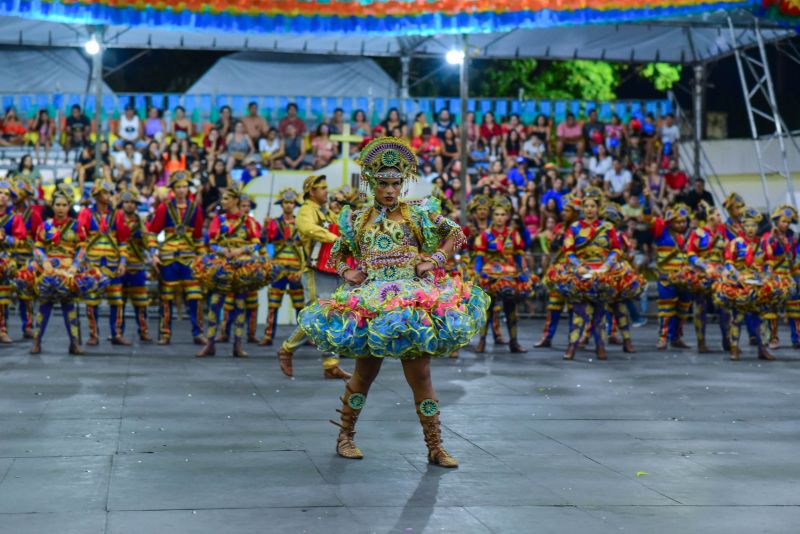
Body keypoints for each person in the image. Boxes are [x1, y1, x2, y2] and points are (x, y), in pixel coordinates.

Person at [298, 136, 488, 467]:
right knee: (363, 375)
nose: (390, 189)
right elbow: (341, 249)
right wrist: (346, 270)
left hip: (411, 305)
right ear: (372, 182)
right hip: (372, 305)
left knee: (422, 376)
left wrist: (436, 261)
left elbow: (456, 234)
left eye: (396, 183)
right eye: (384, 183)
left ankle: (435, 445)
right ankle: (345, 437)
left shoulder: (418, 213)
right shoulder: (357, 219)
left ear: (403, 182)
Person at [276, 174, 351, 380]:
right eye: (322, 188)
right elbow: (308, 229)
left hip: (330, 269)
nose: (326, 191)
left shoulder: (325, 211)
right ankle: (287, 349)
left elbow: (343, 227)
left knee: (332, 313)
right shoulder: (306, 210)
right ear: (312, 191)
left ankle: (331, 364)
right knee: (317, 312)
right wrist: (336, 239)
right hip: (314, 269)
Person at [196, 186, 266, 358]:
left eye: (226, 199)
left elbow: (257, 243)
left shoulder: (248, 221)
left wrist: (241, 250)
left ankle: (238, 344)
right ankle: (210, 344)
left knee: (240, 305)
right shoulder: (218, 220)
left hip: (242, 266)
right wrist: (222, 251)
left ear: (235, 201)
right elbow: (210, 243)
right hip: (222, 265)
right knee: (215, 302)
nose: (223, 202)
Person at [554, 188, 623, 360]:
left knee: (600, 311)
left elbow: (615, 249)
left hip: (602, 271)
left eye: (593, 206)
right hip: (581, 272)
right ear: (583, 208)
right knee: (578, 311)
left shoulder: (608, 227)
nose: (589, 209)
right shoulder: (574, 227)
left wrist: (607, 265)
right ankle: (572, 346)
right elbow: (568, 251)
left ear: (598, 208)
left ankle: (600, 346)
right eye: (587, 206)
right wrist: (578, 266)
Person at [28, 186, 92, 355]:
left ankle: (74, 343)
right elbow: (38, 246)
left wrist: (75, 265)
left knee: (69, 306)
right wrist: (44, 260)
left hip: (68, 272)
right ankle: (37, 342)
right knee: (44, 306)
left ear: (69, 206)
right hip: (49, 271)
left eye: (64, 205)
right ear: (52, 205)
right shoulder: (45, 226)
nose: (61, 208)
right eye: (58, 204)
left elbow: (82, 247)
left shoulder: (77, 226)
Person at [147, 171, 207, 345]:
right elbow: (152, 233)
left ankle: (198, 332)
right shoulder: (164, 208)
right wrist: (153, 253)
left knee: (195, 296)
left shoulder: (195, 208)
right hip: (168, 257)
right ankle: (165, 333)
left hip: (189, 258)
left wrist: (203, 258)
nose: (182, 190)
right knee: (166, 297)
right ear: (173, 189)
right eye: (179, 187)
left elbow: (198, 238)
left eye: (185, 186)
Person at [717, 207, 781, 360]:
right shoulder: (735, 243)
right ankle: (734, 348)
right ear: (742, 226)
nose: (750, 229)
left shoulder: (764, 243)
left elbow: (769, 262)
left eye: (753, 225)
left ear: (757, 227)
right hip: (741, 285)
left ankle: (763, 349)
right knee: (737, 317)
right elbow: (728, 263)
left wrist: (767, 276)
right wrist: (737, 276)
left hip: (759, 284)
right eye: (747, 225)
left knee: (762, 317)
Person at [473, 197, 534, 354]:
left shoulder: (514, 235)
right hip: (490, 275)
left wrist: (524, 273)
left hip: (509, 275)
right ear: (492, 216)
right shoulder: (485, 235)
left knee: (511, 309)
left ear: (507, 216)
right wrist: (477, 274)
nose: (499, 217)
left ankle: (514, 342)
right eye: (497, 214)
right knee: (487, 309)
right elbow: (479, 258)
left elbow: (519, 257)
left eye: (503, 214)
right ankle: (482, 341)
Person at [259, 188, 305, 346]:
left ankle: (303, 336)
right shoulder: (273, 223)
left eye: (291, 202)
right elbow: (264, 241)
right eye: (286, 202)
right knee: (273, 304)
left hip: (295, 269)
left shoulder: (300, 224)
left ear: (295, 204)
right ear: (281, 204)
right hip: (278, 268)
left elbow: (306, 246)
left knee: (300, 305)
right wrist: (265, 228)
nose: (288, 205)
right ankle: (268, 335)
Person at [685, 202, 730, 353]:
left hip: (720, 273)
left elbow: (728, 254)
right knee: (700, 308)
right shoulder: (698, 233)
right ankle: (701, 342)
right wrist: (705, 266)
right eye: (717, 214)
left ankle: (727, 340)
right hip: (703, 274)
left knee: (724, 308)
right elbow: (690, 254)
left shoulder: (723, 233)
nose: (719, 217)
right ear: (709, 217)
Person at [649, 203, 692, 350]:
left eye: (684, 221)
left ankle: (676, 337)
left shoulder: (688, 235)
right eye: (678, 222)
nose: (682, 224)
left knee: (683, 309)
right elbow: (651, 218)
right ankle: (662, 338)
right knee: (666, 309)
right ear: (671, 223)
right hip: (666, 278)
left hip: (684, 279)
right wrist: (649, 199)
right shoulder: (662, 233)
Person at [117, 187, 152, 342]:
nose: (129, 205)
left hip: (137, 265)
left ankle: (143, 331)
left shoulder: (141, 222)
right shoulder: (115, 220)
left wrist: (152, 251)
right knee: (118, 302)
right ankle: (117, 332)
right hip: (120, 266)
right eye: (126, 202)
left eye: (132, 202)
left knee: (141, 302)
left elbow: (147, 242)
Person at [760, 205, 798, 349]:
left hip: (788, 275)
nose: (786, 224)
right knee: (772, 307)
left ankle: (797, 337)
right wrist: (772, 238)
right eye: (783, 221)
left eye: (788, 222)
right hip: (773, 275)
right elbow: (765, 256)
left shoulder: (792, 237)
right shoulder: (768, 237)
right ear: (777, 221)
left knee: (795, 306)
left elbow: (792, 259)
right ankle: (772, 337)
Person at [10, 179, 43, 339]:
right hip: (7, 255)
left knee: (26, 294)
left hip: (26, 258)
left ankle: (28, 325)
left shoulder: (33, 214)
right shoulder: (5, 213)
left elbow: (40, 237)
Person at [0, 180, 27, 341]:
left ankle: (2, 330)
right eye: (0, 194)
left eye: (6, 195)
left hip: (5, 260)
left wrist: (6, 239)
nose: (3, 197)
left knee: (2, 297)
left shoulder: (14, 218)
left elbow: (22, 240)